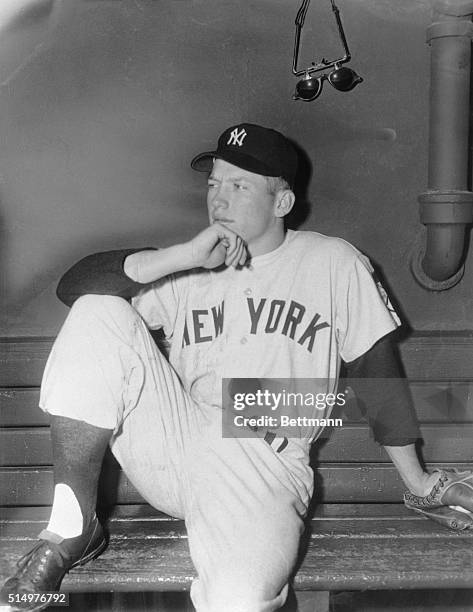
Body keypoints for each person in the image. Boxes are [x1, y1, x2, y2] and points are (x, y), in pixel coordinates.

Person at [2, 123, 473, 612]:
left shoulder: (332, 262)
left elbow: (377, 373)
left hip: (263, 459)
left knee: (239, 601)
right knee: (98, 309)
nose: (218, 200)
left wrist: (417, 481)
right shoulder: (189, 265)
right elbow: (73, 288)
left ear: (282, 203)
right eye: (213, 184)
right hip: (177, 438)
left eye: (238, 185)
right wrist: (178, 258)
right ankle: (71, 526)